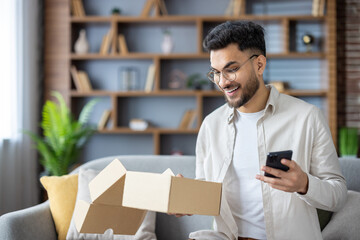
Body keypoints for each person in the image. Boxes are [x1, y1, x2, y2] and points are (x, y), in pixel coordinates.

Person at [187, 21, 347, 240]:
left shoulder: (307, 118)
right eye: (216, 72)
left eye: (231, 70)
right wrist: (183, 199)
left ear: (259, 65)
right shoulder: (211, 125)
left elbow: (338, 195)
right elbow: (207, 195)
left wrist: (304, 184)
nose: (222, 82)